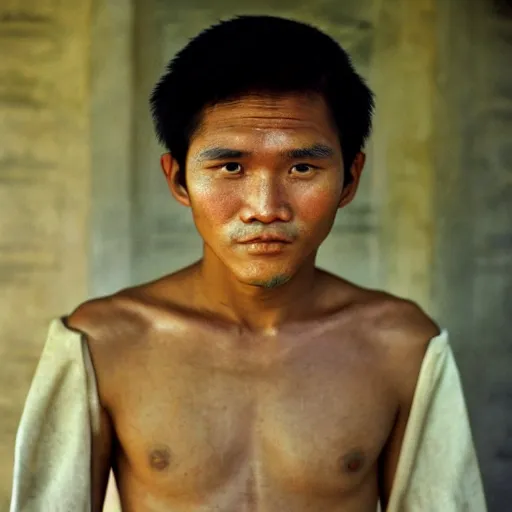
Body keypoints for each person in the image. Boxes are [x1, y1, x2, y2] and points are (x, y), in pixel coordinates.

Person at [10, 15, 486, 512]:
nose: (265, 207)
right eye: (230, 166)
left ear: (349, 179)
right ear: (178, 181)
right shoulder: (102, 344)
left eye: (302, 167)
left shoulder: (403, 349)